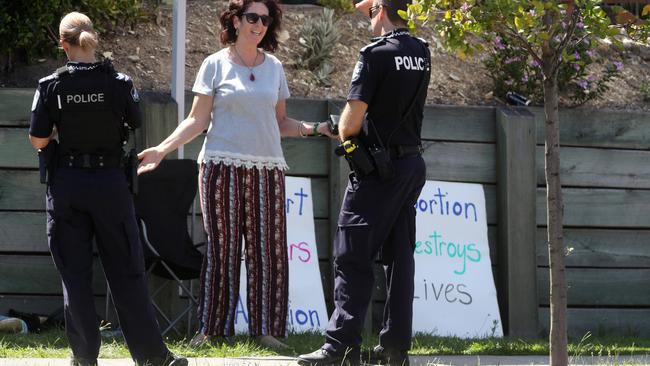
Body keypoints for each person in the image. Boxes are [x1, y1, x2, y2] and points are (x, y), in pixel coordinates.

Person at [137, 0, 334, 349]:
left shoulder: (274, 67)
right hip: (219, 167)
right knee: (222, 250)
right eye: (252, 17)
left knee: (268, 250)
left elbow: (280, 122)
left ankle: (266, 331)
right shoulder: (214, 64)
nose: (259, 24)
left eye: (265, 19)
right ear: (236, 20)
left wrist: (314, 128)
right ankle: (212, 329)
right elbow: (197, 120)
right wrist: (162, 150)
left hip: (267, 170)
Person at [28, 12, 187, 366]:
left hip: (68, 185)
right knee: (127, 271)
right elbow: (135, 121)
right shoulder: (119, 81)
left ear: (62, 43)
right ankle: (152, 358)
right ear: (93, 39)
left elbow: (38, 139)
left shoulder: (51, 85)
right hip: (110, 185)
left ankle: (84, 357)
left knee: (75, 274)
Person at [297, 0, 430, 364]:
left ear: (382, 11)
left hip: (378, 172)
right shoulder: (421, 51)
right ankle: (394, 349)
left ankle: (340, 347)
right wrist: (378, 8)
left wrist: (341, 131)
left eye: (372, 10)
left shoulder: (375, 55)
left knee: (352, 255)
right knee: (400, 258)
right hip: (410, 164)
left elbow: (350, 124)